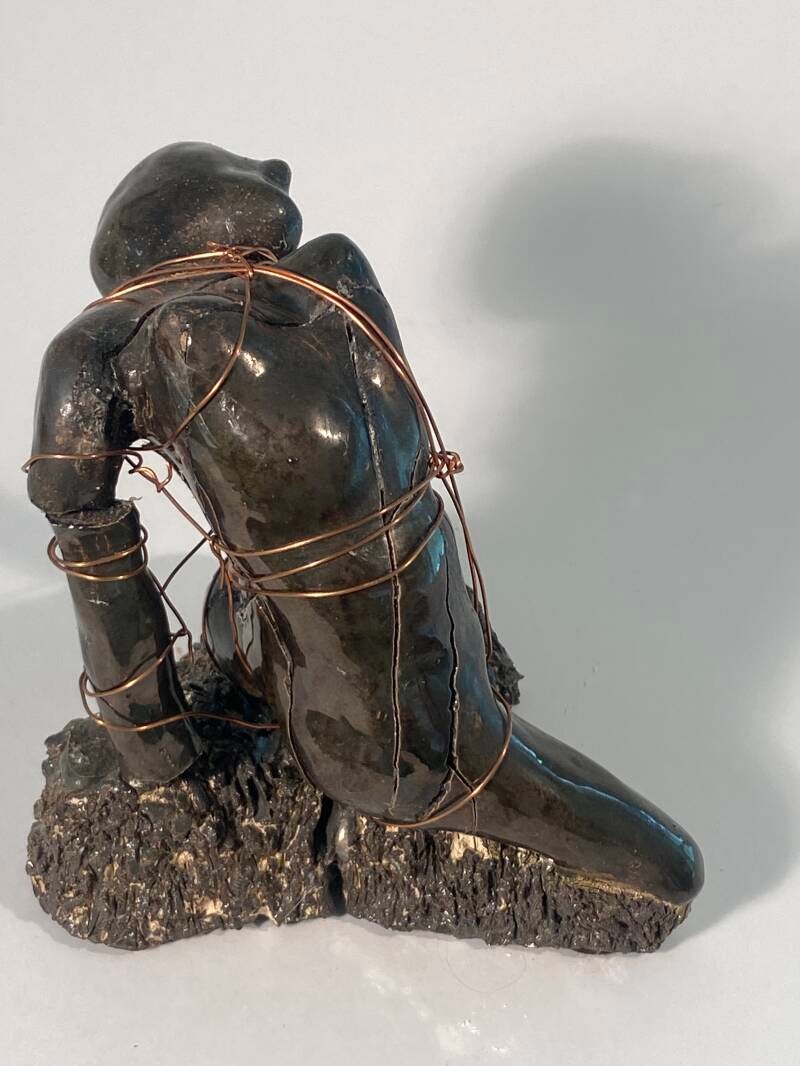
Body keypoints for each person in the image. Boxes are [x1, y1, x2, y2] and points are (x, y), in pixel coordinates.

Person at [27, 142, 703, 905]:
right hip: (386, 746)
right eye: (245, 169)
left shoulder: (323, 274)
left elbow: (84, 530)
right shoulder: (138, 335)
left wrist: (158, 754)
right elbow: (88, 541)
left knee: (670, 865)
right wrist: (159, 762)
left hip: (387, 705)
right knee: (672, 865)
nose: (275, 170)